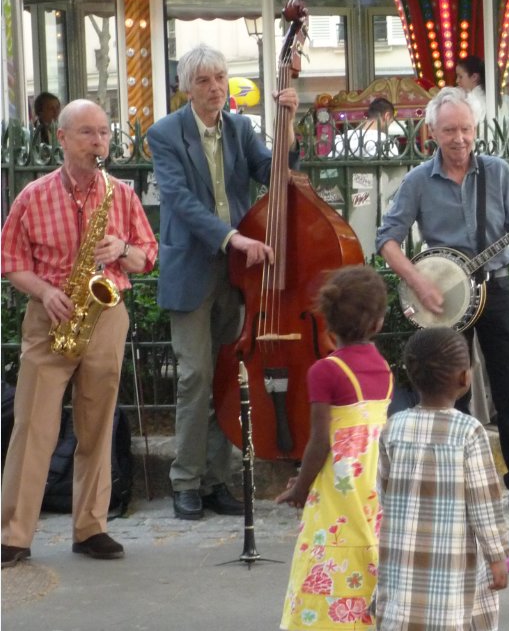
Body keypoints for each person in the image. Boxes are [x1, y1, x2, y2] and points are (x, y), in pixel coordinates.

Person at [376, 86, 509, 515]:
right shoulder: (419, 180)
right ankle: (450, 488)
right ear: (432, 132)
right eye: (450, 130)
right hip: (444, 300)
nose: (459, 138)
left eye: (466, 129)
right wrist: (419, 282)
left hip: (495, 287)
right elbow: (388, 241)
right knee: (447, 394)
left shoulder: (497, 172)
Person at [1, 99, 158, 568]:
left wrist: (122, 248)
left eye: (105, 133)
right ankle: (13, 534)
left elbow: (148, 255)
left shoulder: (121, 194)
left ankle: (91, 527)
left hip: (104, 315)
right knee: (33, 426)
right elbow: (11, 264)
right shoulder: (32, 195)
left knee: (98, 425)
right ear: (63, 139)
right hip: (50, 316)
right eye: (88, 133)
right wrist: (46, 293)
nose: (99, 142)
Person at [147, 44, 300, 521]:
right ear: (186, 88)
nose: (215, 88)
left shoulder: (240, 127)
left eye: (220, 79)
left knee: (229, 377)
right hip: (194, 267)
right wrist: (233, 238)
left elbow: (273, 173)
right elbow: (180, 202)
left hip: (239, 274)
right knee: (194, 376)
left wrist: (288, 120)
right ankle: (185, 481)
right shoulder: (165, 134)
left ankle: (218, 480)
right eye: (204, 81)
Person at [275, 264, 391, 630]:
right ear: (377, 323)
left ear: (327, 320)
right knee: (368, 556)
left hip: (337, 493)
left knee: (325, 558)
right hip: (374, 489)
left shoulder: (325, 371)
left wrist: (300, 487)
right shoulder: (383, 367)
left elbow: (321, 440)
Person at [376, 327, 509, 631]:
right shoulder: (469, 432)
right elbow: (484, 505)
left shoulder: (394, 428)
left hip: (402, 565)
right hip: (451, 569)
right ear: (464, 379)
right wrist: (497, 555)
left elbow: (383, 491)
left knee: (402, 615)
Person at [455, 56, 509, 128]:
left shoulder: (470, 101)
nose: (457, 81)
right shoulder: (505, 101)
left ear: (474, 77)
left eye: (460, 76)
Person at [331, 97, 398, 158]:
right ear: (387, 116)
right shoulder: (386, 143)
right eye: (391, 122)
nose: (389, 126)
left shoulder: (343, 139)